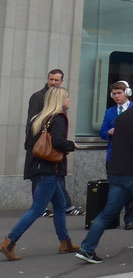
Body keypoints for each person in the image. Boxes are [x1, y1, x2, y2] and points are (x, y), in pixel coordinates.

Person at [75, 80, 133, 264]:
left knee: (108, 212)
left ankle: (87, 248)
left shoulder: (123, 116)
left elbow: (116, 142)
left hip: (117, 171)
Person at [2, 86, 80, 260]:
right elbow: (58, 142)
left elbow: (30, 143)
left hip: (38, 166)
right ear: (60, 100)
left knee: (60, 205)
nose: (69, 101)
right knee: (37, 208)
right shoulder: (59, 118)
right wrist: (71, 145)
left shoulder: (39, 118)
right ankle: (9, 241)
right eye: (67, 98)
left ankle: (65, 242)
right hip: (50, 169)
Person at [29, 68, 83, 217]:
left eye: (56, 80)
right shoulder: (39, 97)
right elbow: (32, 124)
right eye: (51, 79)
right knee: (42, 179)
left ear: (61, 81)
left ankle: (65, 210)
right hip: (43, 147)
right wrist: (69, 145)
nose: (53, 82)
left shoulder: (59, 101)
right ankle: (44, 208)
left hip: (53, 151)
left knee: (57, 182)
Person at [99, 81, 133, 229]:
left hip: (130, 155)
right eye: (114, 94)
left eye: (119, 93)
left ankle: (130, 219)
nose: (116, 96)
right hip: (113, 155)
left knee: (131, 188)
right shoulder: (109, 112)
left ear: (127, 93)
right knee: (114, 187)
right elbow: (102, 132)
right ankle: (112, 219)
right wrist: (108, 133)